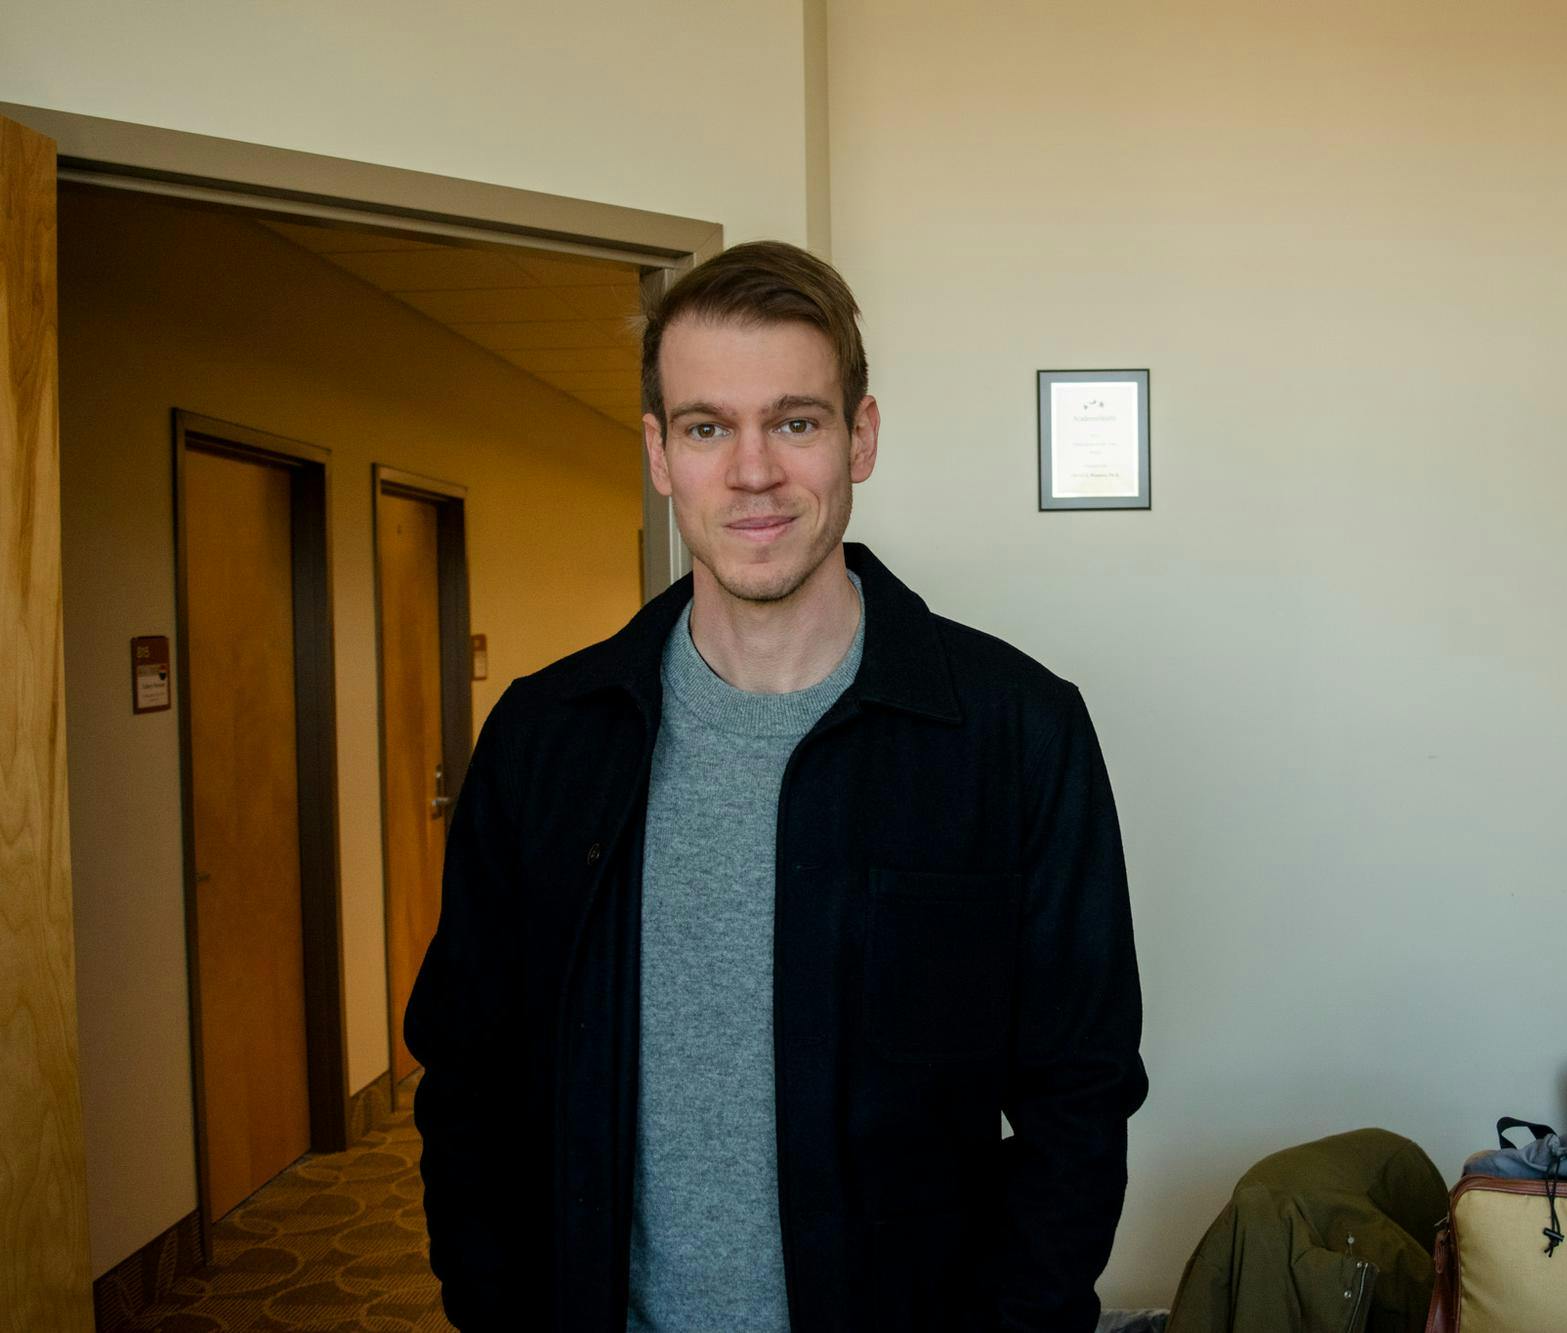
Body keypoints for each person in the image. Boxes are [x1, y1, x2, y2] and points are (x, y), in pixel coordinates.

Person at [405, 240, 1147, 1333]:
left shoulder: (1017, 733)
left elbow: (1076, 1098)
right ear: (660, 454)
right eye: (707, 427)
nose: (752, 472)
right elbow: (469, 1081)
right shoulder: (543, 740)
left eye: (794, 421)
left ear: (861, 436)